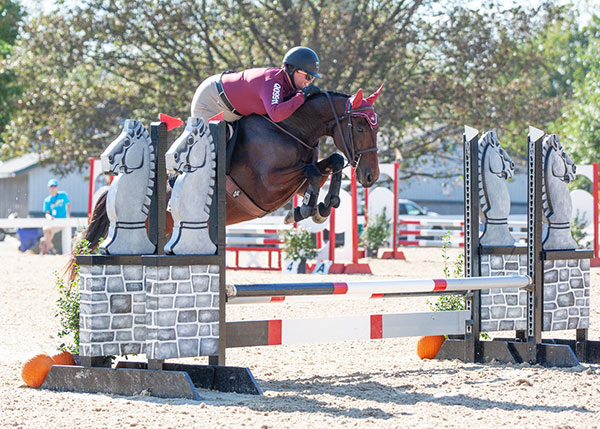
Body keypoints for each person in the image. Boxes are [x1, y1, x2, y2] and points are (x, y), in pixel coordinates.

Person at [191, 46, 322, 125]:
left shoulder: (288, 84)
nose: (309, 81)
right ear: (292, 70)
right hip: (211, 102)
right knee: (209, 157)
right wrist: (302, 97)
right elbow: (276, 114)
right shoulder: (273, 81)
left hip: (230, 107)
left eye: (312, 79)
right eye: (308, 76)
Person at [41, 179, 71, 254]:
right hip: (53, 222)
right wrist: (49, 217)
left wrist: (68, 216)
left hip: (62, 221)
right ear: (48, 187)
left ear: (57, 187)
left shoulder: (63, 195)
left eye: (54, 186)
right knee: (47, 230)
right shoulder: (47, 200)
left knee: (47, 232)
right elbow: (47, 213)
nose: (53, 188)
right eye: (51, 186)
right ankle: (47, 249)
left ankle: (47, 248)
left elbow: (68, 205)